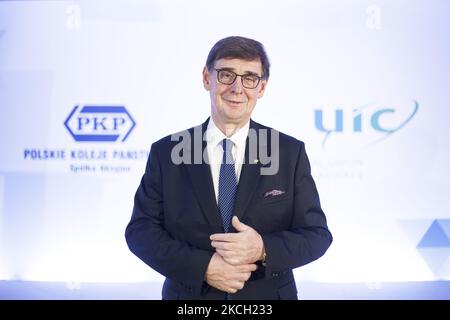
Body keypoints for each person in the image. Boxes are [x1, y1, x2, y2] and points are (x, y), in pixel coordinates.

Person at [125, 36, 332, 300]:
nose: (237, 88)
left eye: (249, 78)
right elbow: (141, 232)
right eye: (226, 75)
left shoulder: (289, 152)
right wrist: (204, 267)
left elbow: (317, 235)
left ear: (262, 87)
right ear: (206, 78)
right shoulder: (167, 152)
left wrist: (262, 248)